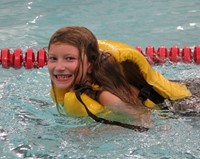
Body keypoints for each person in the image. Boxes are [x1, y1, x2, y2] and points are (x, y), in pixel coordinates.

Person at [47, 26, 199, 131]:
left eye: (69, 59)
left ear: (90, 65)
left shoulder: (105, 95)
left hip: (185, 106)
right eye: (53, 58)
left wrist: (94, 132)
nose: (59, 66)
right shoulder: (83, 85)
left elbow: (144, 117)